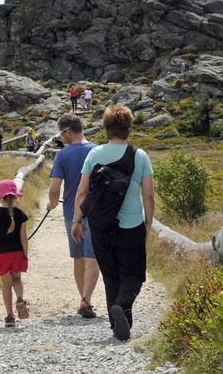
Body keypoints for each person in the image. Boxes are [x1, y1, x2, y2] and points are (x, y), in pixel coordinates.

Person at [72, 105, 155, 341]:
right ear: (128, 128)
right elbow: (148, 195)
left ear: (106, 129)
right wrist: (148, 222)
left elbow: (81, 192)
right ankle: (123, 307)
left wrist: (78, 220)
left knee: (111, 276)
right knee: (134, 275)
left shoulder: (94, 155)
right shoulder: (139, 156)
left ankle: (118, 325)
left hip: (100, 225)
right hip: (131, 224)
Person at [47, 113, 99, 319]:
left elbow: (54, 188)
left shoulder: (62, 155)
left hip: (71, 211)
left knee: (78, 257)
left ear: (67, 131)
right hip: (94, 211)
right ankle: (86, 299)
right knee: (92, 257)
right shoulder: (97, 150)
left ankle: (84, 299)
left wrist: (52, 203)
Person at [0, 179, 30, 327]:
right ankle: (20, 298)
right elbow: (23, 239)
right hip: (17, 252)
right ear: (15, 196)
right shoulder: (21, 214)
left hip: (1, 254)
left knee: (6, 284)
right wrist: (25, 254)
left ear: (0, 197)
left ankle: (10, 316)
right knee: (17, 279)